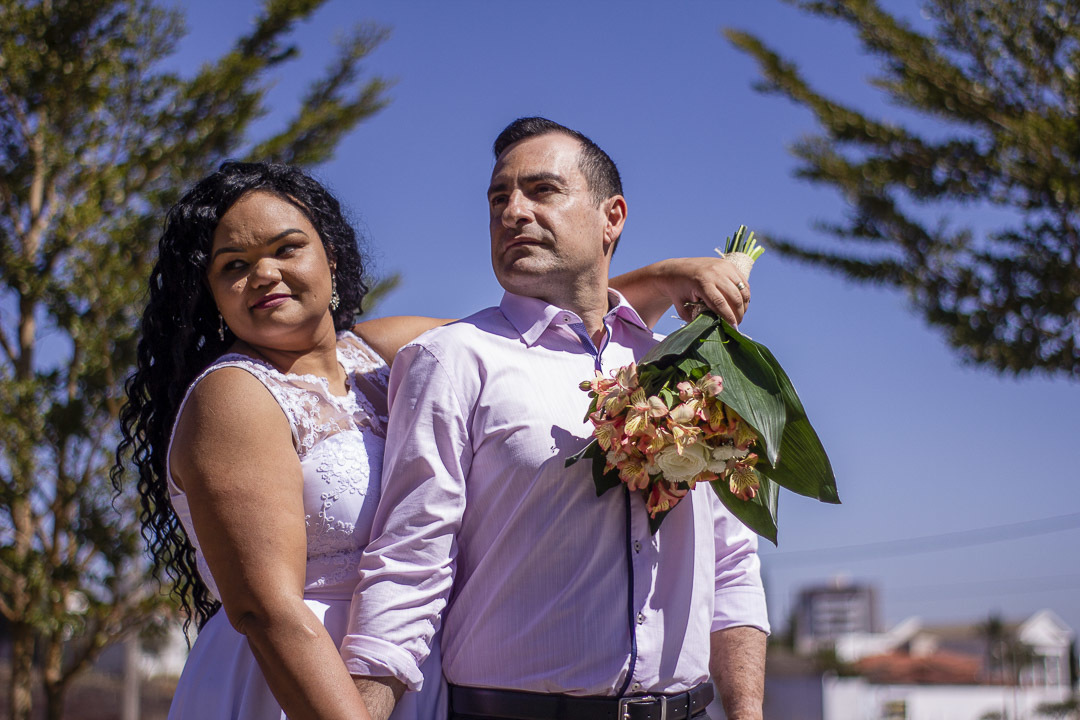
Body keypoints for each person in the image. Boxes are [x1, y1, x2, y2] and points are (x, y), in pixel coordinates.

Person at [114, 160, 753, 720]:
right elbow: (266, 611)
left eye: (287, 248)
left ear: (329, 258)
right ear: (211, 293)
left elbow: (539, 334)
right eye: (234, 266)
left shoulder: (378, 352)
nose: (264, 274)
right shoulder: (231, 398)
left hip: (411, 674)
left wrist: (667, 278)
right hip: (292, 685)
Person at [341, 117, 770, 720]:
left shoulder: (692, 366)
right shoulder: (453, 358)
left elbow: (731, 559)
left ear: (611, 217)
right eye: (498, 198)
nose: (512, 212)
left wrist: (747, 711)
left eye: (542, 190)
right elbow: (411, 561)